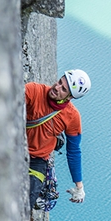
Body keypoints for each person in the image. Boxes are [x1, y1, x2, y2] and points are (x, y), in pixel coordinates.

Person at [25, 69, 91, 209]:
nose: (57, 87)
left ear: (69, 97)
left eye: (63, 89)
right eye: (60, 82)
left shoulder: (72, 117)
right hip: (19, 147)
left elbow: (73, 151)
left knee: (26, 202)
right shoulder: (34, 91)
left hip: (37, 161)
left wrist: (79, 186)